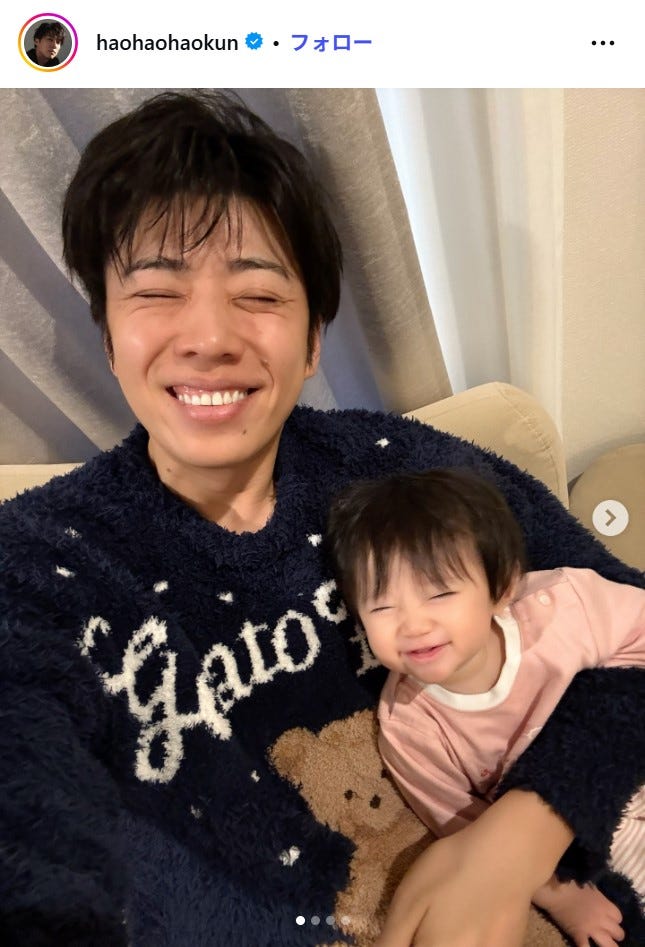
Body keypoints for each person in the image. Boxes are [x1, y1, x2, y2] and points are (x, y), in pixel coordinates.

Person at [0, 90, 643, 947]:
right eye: (155, 290)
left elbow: (628, 628)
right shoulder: (40, 566)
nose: (208, 336)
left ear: (311, 340)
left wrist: (517, 834)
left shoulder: (401, 469)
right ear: (109, 334)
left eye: (257, 293)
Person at [326, 467, 645, 946]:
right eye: (383, 607)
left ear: (502, 587)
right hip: (597, 839)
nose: (413, 625)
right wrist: (563, 897)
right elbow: (474, 836)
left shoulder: (564, 605)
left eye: (440, 593)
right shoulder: (409, 727)